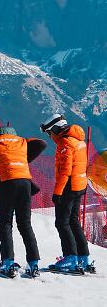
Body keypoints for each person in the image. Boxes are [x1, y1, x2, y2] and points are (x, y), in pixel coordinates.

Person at [0, 127, 46, 277]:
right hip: (25, 182)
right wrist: (23, 159)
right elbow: (41, 144)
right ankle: (33, 264)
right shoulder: (20, 142)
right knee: (25, 224)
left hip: (7, 182)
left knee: (6, 223)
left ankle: (7, 263)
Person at [40, 114, 94, 272]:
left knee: (62, 222)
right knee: (73, 221)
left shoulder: (65, 143)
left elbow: (65, 171)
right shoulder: (79, 140)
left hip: (68, 187)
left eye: (49, 133)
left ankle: (70, 258)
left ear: (56, 130)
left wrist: (57, 193)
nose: (50, 137)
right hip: (80, 185)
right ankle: (84, 259)